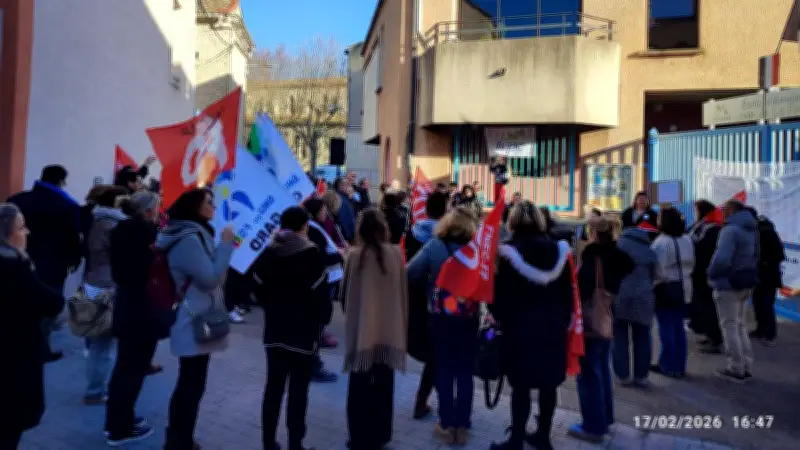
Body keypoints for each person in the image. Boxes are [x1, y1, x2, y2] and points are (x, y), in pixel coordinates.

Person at [489, 202, 574, 450]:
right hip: (554, 327)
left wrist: (498, 318)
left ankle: (516, 439)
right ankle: (543, 437)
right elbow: (569, 291)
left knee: (521, 386)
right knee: (549, 385)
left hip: (521, 329)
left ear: (512, 222)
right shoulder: (561, 251)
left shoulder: (508, 253)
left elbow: (502, 297)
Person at [156, 188, 235, 449]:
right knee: (190, 384)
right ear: (195, 207)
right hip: (191, 319)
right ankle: (179, 441)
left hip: (198, 315)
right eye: (209, 202)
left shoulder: (194, 233)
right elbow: (210, 277)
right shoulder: (188, 238)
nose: (214, 206)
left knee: (192, 382)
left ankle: (181, 438)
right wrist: (225, 245)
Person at [251, 206, 329, 450]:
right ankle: (296, 443)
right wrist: (321, 322)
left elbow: (256, 289)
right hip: (303, 333)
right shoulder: (312, 255)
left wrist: (272, 307)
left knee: (273, 387)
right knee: (298, 391)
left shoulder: (269, 252)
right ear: (304, 226)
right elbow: (322, 299)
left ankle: (268, 442)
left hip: (275, 330)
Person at [407, 207, 479, 446]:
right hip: (469, 318)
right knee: (466, 373)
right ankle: (463, 427)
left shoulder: (435, 246)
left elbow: (411, 273)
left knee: (445, 370)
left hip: (440, 317)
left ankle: (446, 424)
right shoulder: (478, 249)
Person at [341, 209, 408, 450]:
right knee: (384, 384)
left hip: (362, 332)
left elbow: (344, 294)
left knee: (358, 385)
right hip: (389, 333)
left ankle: (358, 437)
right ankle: (381, 434)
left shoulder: (354, 256)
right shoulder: (396, 254)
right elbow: (403, 291)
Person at [0, 203, 65, 449]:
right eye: (21, 227)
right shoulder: (14, 268)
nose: (26, 233)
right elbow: (51, 302)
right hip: (12, 361)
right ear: (6, 235)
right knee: (8, 427)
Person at [7, 165, 82, 363]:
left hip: (17, 259)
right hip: (53, 264)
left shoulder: (17, 199)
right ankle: (39, 349)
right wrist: (73, 261)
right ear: (61, 181)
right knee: (47, 307)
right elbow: (72, 238)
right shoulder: (67, 205)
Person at [104, 190, 162, 445]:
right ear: (148, 210)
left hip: (128, 305)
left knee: (124, 368)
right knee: (132, 371)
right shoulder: (142, 233)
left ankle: (117, 421)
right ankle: (120, 428)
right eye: (157, 208)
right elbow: (153, 268)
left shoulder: (122, 228)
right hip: (140, 309)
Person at [569, 216, 633, 443]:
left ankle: (593, 427)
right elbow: (629, 267)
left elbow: (582, 287)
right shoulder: (619, 255)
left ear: (594, 232)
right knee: (602, 370)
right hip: (608, 316)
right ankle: (604, 418)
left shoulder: (593, 255)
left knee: (588, 374)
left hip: (591, 320)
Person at [403, 190, 448, 420]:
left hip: (413, 299)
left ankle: (426, 400)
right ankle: (439, 402)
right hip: (437, 301)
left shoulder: (412, 231)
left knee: (432, 353)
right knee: (436, 354)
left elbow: (408, 268)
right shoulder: (442, 240)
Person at [82, 185, 129, 405]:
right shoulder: (112, 224)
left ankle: (95, 387)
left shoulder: (95, 218)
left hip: (93, 281)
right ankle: (95, 391)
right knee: (103, 346)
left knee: (96, 344)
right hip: (106, 285)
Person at [708, 199, 759, 382]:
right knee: (740, 325)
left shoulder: (730, 230)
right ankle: (746, 364)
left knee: (729, 326)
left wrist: (711, 274)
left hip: (728, 284)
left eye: (723, 209)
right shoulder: (751, 229)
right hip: (745, 281)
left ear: (730, 210)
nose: (721, 212)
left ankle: (735, 367)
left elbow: (721, 259)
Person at [302, 198, 343, 383]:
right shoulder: (313, 231)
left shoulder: (315, 228)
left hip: (324, 281)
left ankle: (312, 360)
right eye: (322, 209)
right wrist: (338, 255)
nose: (325, 212)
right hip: (320, 283)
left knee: (318, 322)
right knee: (315, 324)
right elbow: (319, 258)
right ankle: (312, 365)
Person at [650, 208, 694, 379]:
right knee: (678, 328)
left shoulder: (662, 242)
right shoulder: (687, 239)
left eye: (660, 217)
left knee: (666, 328)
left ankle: (667, 365)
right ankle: (679, 365)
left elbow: (658, 270)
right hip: (685, 287)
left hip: (666, 288)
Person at [613, 224, 658, 387]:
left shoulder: (617, 246)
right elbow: (656, 274)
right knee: (643, 337)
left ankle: (622, 375)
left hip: (619, 296)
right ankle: (641, 376)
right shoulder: (650, 250)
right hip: (644, 297)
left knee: (619, 337)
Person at [688, 200, 723, 354]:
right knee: (703, 305)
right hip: (698, 272)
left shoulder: (713, 229)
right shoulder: (700, 226)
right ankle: (709, 334)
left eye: (696, 210)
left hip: (705, 272)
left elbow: (706, 250)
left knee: (710, 306)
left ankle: (716, 339)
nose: (694, 212)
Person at [749, 207, 784, 346]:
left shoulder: (766, 232)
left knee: (766, 305)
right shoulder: (757, 231)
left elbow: (778, 255)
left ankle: (769, 335)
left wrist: (762, 261)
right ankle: (760, 329)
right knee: (758, 303)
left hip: (768, 275)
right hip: (759, 274)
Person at [334, 177, 357, 243]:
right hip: (346, 237)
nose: (349, 186)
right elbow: (343, 220)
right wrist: (347, 237)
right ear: (340, 186)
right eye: (347, 184)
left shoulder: (345, 198)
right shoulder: (340, 200)